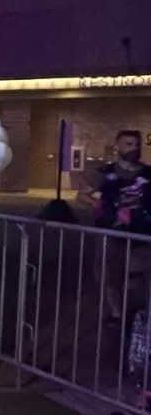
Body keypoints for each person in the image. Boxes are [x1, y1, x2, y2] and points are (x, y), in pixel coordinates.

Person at [77, 129, 151, 321]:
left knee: (141, 275)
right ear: (117, 146)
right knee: (110, 275)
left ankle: (140, 313)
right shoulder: (105, 173)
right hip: (112, 232)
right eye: (128, 144)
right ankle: (117, 314)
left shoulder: (148, 173)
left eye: (136, 145)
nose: (133, 148)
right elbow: (82, 195)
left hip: (143, 233)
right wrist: (97, 204)